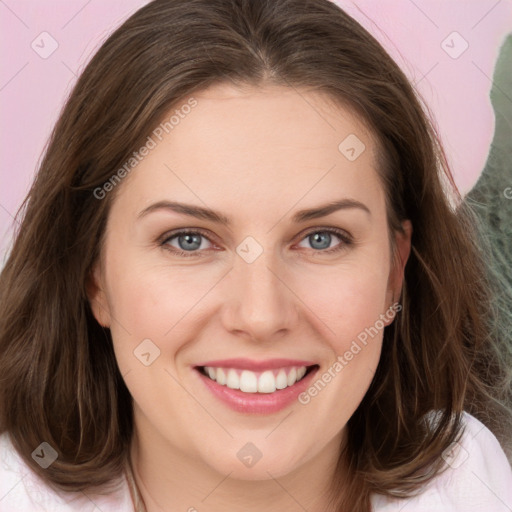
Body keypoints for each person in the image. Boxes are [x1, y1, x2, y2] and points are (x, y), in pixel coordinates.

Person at [0, 1, 511, 511]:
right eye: (188, 240)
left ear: (394, 271)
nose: (261, 315)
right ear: (94, 276)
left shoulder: (468, 483)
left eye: (321, 239)